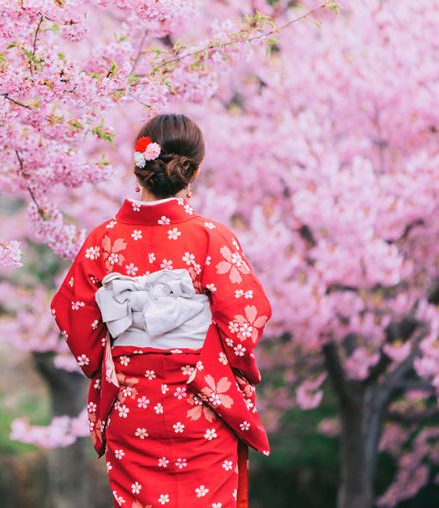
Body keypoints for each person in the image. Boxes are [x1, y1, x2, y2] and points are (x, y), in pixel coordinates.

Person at [49, 113, 273, 507]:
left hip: (134, 409)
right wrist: (213, 367)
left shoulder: (104, 240)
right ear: (194, 170)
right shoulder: (210, 237)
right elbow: (244, 318)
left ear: (139, 167)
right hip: (200, 403)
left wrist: (118, 361)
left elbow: (73, 314)